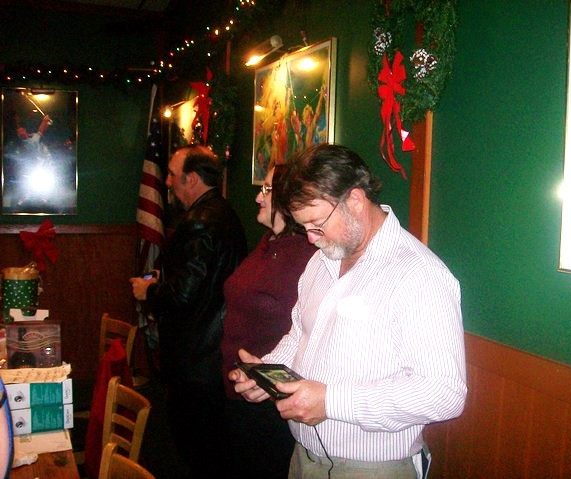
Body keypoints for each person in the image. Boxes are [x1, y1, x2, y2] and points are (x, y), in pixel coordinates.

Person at [229, 144, 467, 478]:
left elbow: (445, 393)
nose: (311, 239)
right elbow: (300, 334)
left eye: (317, 224)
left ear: (354, 199)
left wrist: (331, 402)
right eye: (304, 227)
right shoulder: (321, 260)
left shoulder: (419, 274)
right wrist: (266, 374)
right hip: (303, 456)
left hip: (371, 468)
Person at [130, 144, 247, 478]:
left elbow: (183, 294)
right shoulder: (222, 213)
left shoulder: (201, 221)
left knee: (197, 448)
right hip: (210, 353)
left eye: (172, 174)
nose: (167, 182)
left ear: (192, 179)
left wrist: (149, 290)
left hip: (196, 358)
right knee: (208, 447)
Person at [222, 164, 316, 478]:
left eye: (267, 189)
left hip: (270, 401)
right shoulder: (269, 242)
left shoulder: (306, 255)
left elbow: (306, 331)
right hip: (242, 388)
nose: (258, 197)